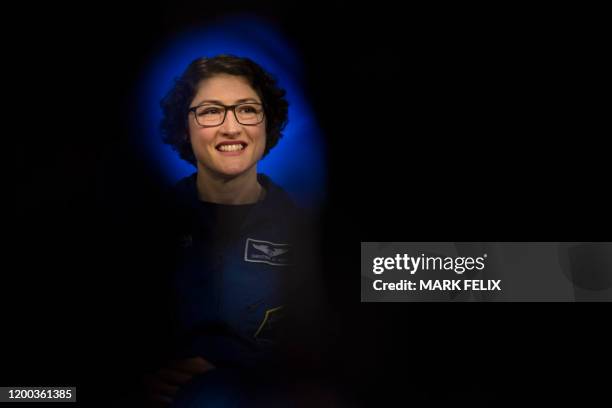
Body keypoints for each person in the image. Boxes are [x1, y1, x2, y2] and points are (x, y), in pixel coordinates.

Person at [138, 55, 328, 407]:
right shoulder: (146, 225)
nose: (232, 127)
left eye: (247, 110)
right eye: (211, 111)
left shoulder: (307, 229)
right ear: (184, 127)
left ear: (267, 123)